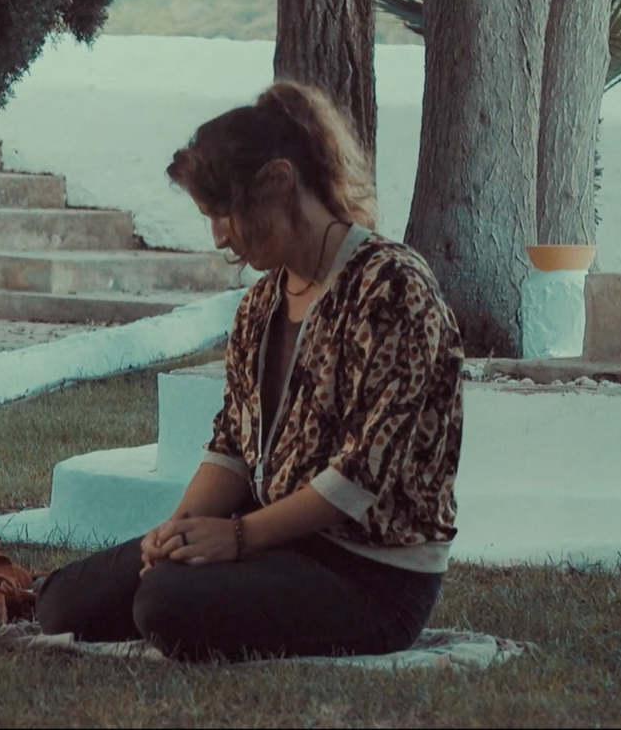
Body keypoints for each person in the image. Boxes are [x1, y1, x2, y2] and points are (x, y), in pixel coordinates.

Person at [33, 81, 464, 659]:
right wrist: (179, 529)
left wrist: (236, 538)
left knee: (163, 603)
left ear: (280, 183)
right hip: (275, 545)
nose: (217, 236)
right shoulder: (261, 305)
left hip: (373, 575)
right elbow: (233, 447)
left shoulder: (392, 287)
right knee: (63, 603)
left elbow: (358, 477)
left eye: (224, 213)